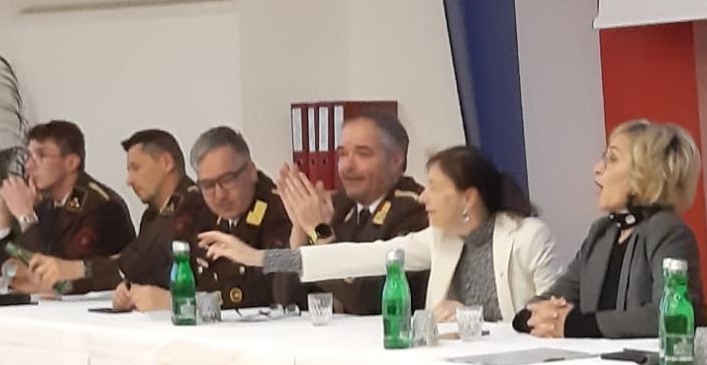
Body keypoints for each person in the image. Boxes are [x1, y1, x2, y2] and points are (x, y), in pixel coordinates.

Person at [199, 145, 559, 323]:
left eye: (434, 187)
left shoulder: (528, 238)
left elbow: (553, 317)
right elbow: (357, 258)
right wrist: (258, 257)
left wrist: (471, 318)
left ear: (468, 197)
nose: (423, 197)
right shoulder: (441, 239)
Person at [516, 119, 707, 338]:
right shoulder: (602, 232)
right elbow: (550, 299)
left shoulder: (668, 231)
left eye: (612, 159)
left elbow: (671, 316)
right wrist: (532, 317)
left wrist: (574, 325)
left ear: (647, 173)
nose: (598, 168)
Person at [271, 108, 429, 313]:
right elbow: (286, 299)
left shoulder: (414, 209)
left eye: (363, 154)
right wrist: (299, 233)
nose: (347, 166)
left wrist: (318, 231)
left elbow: (368, 301)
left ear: (395, 161)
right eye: (342, 154)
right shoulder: (339, 205)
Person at [27, 129, 201, 295]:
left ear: (166, 163)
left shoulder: (193, 206)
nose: (129, 180)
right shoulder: (153, 214)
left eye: (136, 168)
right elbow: (132, 265)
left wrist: (76, 270)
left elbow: (140, 265)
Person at [0, 120, 134, 282]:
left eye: (41, 156)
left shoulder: (101, 206)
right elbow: (2, 273)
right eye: (28, 156)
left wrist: (26, 216)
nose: (28, 166)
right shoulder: (45, 205)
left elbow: (56, 274)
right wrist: (3, 217)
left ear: (71, 163)